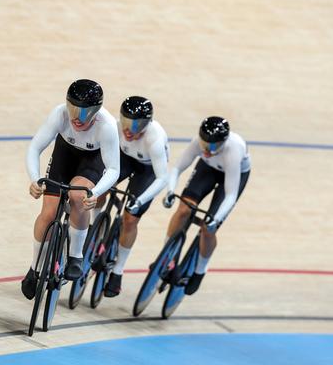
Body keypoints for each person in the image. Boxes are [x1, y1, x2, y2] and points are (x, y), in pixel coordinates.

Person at [21, 79, 120, 300]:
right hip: (64, 154)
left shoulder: (107, 125)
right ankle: (34, 268)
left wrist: (94, 193)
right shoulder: (59, 114)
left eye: (85, 113)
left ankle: (76, 256)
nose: (77, 117)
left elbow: (113, 168)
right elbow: (35, 147)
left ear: (97, 111)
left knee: (78, 196)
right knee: (47, 213)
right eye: (73, 109)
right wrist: (35, 179)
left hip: (91, 161)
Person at [163, 116, 251, 295]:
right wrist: (170, 191)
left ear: (223, 142)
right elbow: (177, 168)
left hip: (234, 175)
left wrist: (215, 220)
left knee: (208, 229)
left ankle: (199, 271)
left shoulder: (234, 150)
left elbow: (231, 194)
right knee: (183, 209)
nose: (207, 149)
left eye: (213, 146)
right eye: (204, 144)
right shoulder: (199, 143)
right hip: (208, 169)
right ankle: (166, 258)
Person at [97, 96, 170, 297]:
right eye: (127, 122)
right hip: (124, 159)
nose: (129, 129)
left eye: (136, 125)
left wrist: (139, 200)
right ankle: (92, 236)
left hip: (148, 170)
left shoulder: (154, 139)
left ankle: (118, 272)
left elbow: (163, 178)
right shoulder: (115, 126)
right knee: (100, 189)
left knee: (130, 219)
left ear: (147, 124)